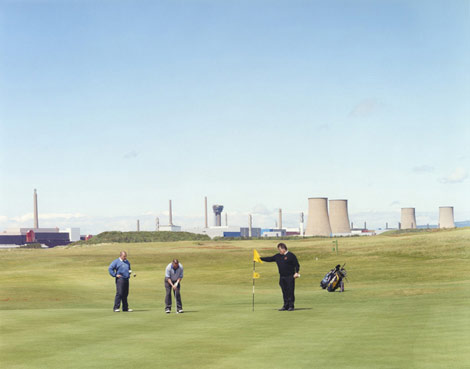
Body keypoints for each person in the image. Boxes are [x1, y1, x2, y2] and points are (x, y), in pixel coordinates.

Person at [261, 243, 300, 311]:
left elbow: (297, 265)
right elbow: (270, 259)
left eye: (280, 249)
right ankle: (285, 305)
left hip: (290, 276)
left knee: (290, 291)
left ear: (284, 249)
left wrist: (296, 272)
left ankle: (291, 306)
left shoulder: (291, 255)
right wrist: (259, 259)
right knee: (284, 292)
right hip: (282, 277)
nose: (279, 251)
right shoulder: (278, 256)